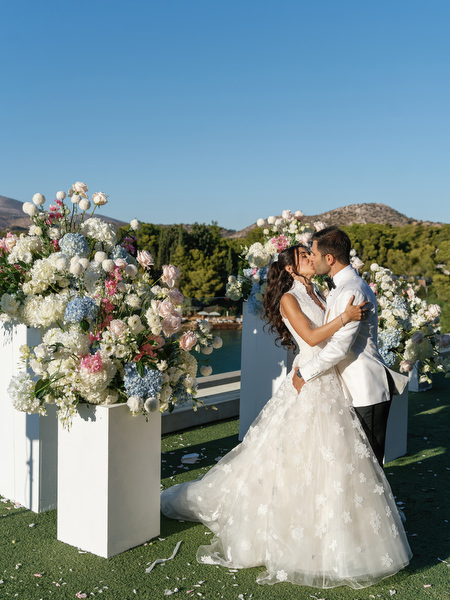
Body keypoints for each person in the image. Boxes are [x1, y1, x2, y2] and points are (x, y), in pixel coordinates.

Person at [161, 244, 412, 589]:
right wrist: (345, 319)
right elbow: (310, 337)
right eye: (303, 256)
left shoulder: (321, 291)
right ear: (292, 269)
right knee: (298, 457)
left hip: (329, 380)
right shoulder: (289, 299)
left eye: (311, 253)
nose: (310, 257)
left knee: (334, 460)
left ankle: (340, 526)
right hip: (308, 379)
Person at [294, 227, 407, 466]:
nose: (310, 258)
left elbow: (340, 348)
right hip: (348, 390)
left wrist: (304, 372)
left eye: (312, 254)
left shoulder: (352, 291)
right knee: (354, 467)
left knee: (369, 467)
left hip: (365, 389)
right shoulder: (340, 287)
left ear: (329, 258)